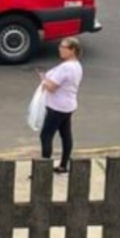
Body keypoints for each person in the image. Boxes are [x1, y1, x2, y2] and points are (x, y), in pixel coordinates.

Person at [37, 37, 83, 174]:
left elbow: (51, 87)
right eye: (60, 46)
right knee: (65, 134)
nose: (60, 49)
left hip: (56, 107)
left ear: (72, 50)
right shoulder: (77, 65)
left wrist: (43, 79)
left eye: (63, 47)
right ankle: (63, 164)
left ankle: (44, 168)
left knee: (46, 135)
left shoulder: (65, 68)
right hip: (68, 105)